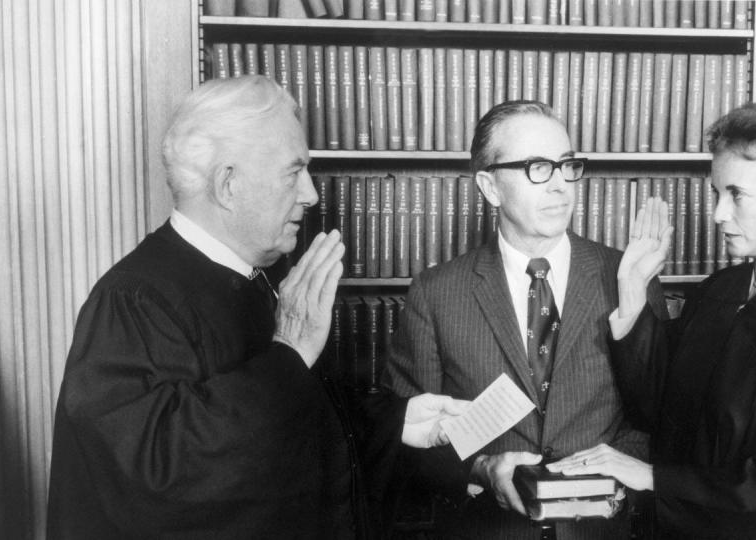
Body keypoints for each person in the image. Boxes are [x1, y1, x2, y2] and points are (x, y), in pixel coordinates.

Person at [46, 75, 467, 540]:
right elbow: (156, 480)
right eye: (294, 172)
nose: (311, 194)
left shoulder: (254, 283)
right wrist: (287, 353)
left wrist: (397, 422)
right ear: (228, 184)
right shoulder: (134, 300)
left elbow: (300, 433)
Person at [548, 103, 756, 539]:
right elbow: (658, 414)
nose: (718, 214)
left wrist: (655, 479)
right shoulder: (720, 292)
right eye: (716, 194)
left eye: (736, 194)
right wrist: (632, 290)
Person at [382, 100, 668, 540]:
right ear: (490, 187)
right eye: (538, 167)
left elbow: (659, 419)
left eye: (567, 165)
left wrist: (608, 488)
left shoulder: (629, 276)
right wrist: (480, 468)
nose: (560, 186)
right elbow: (403, 440)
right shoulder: (435, 293)